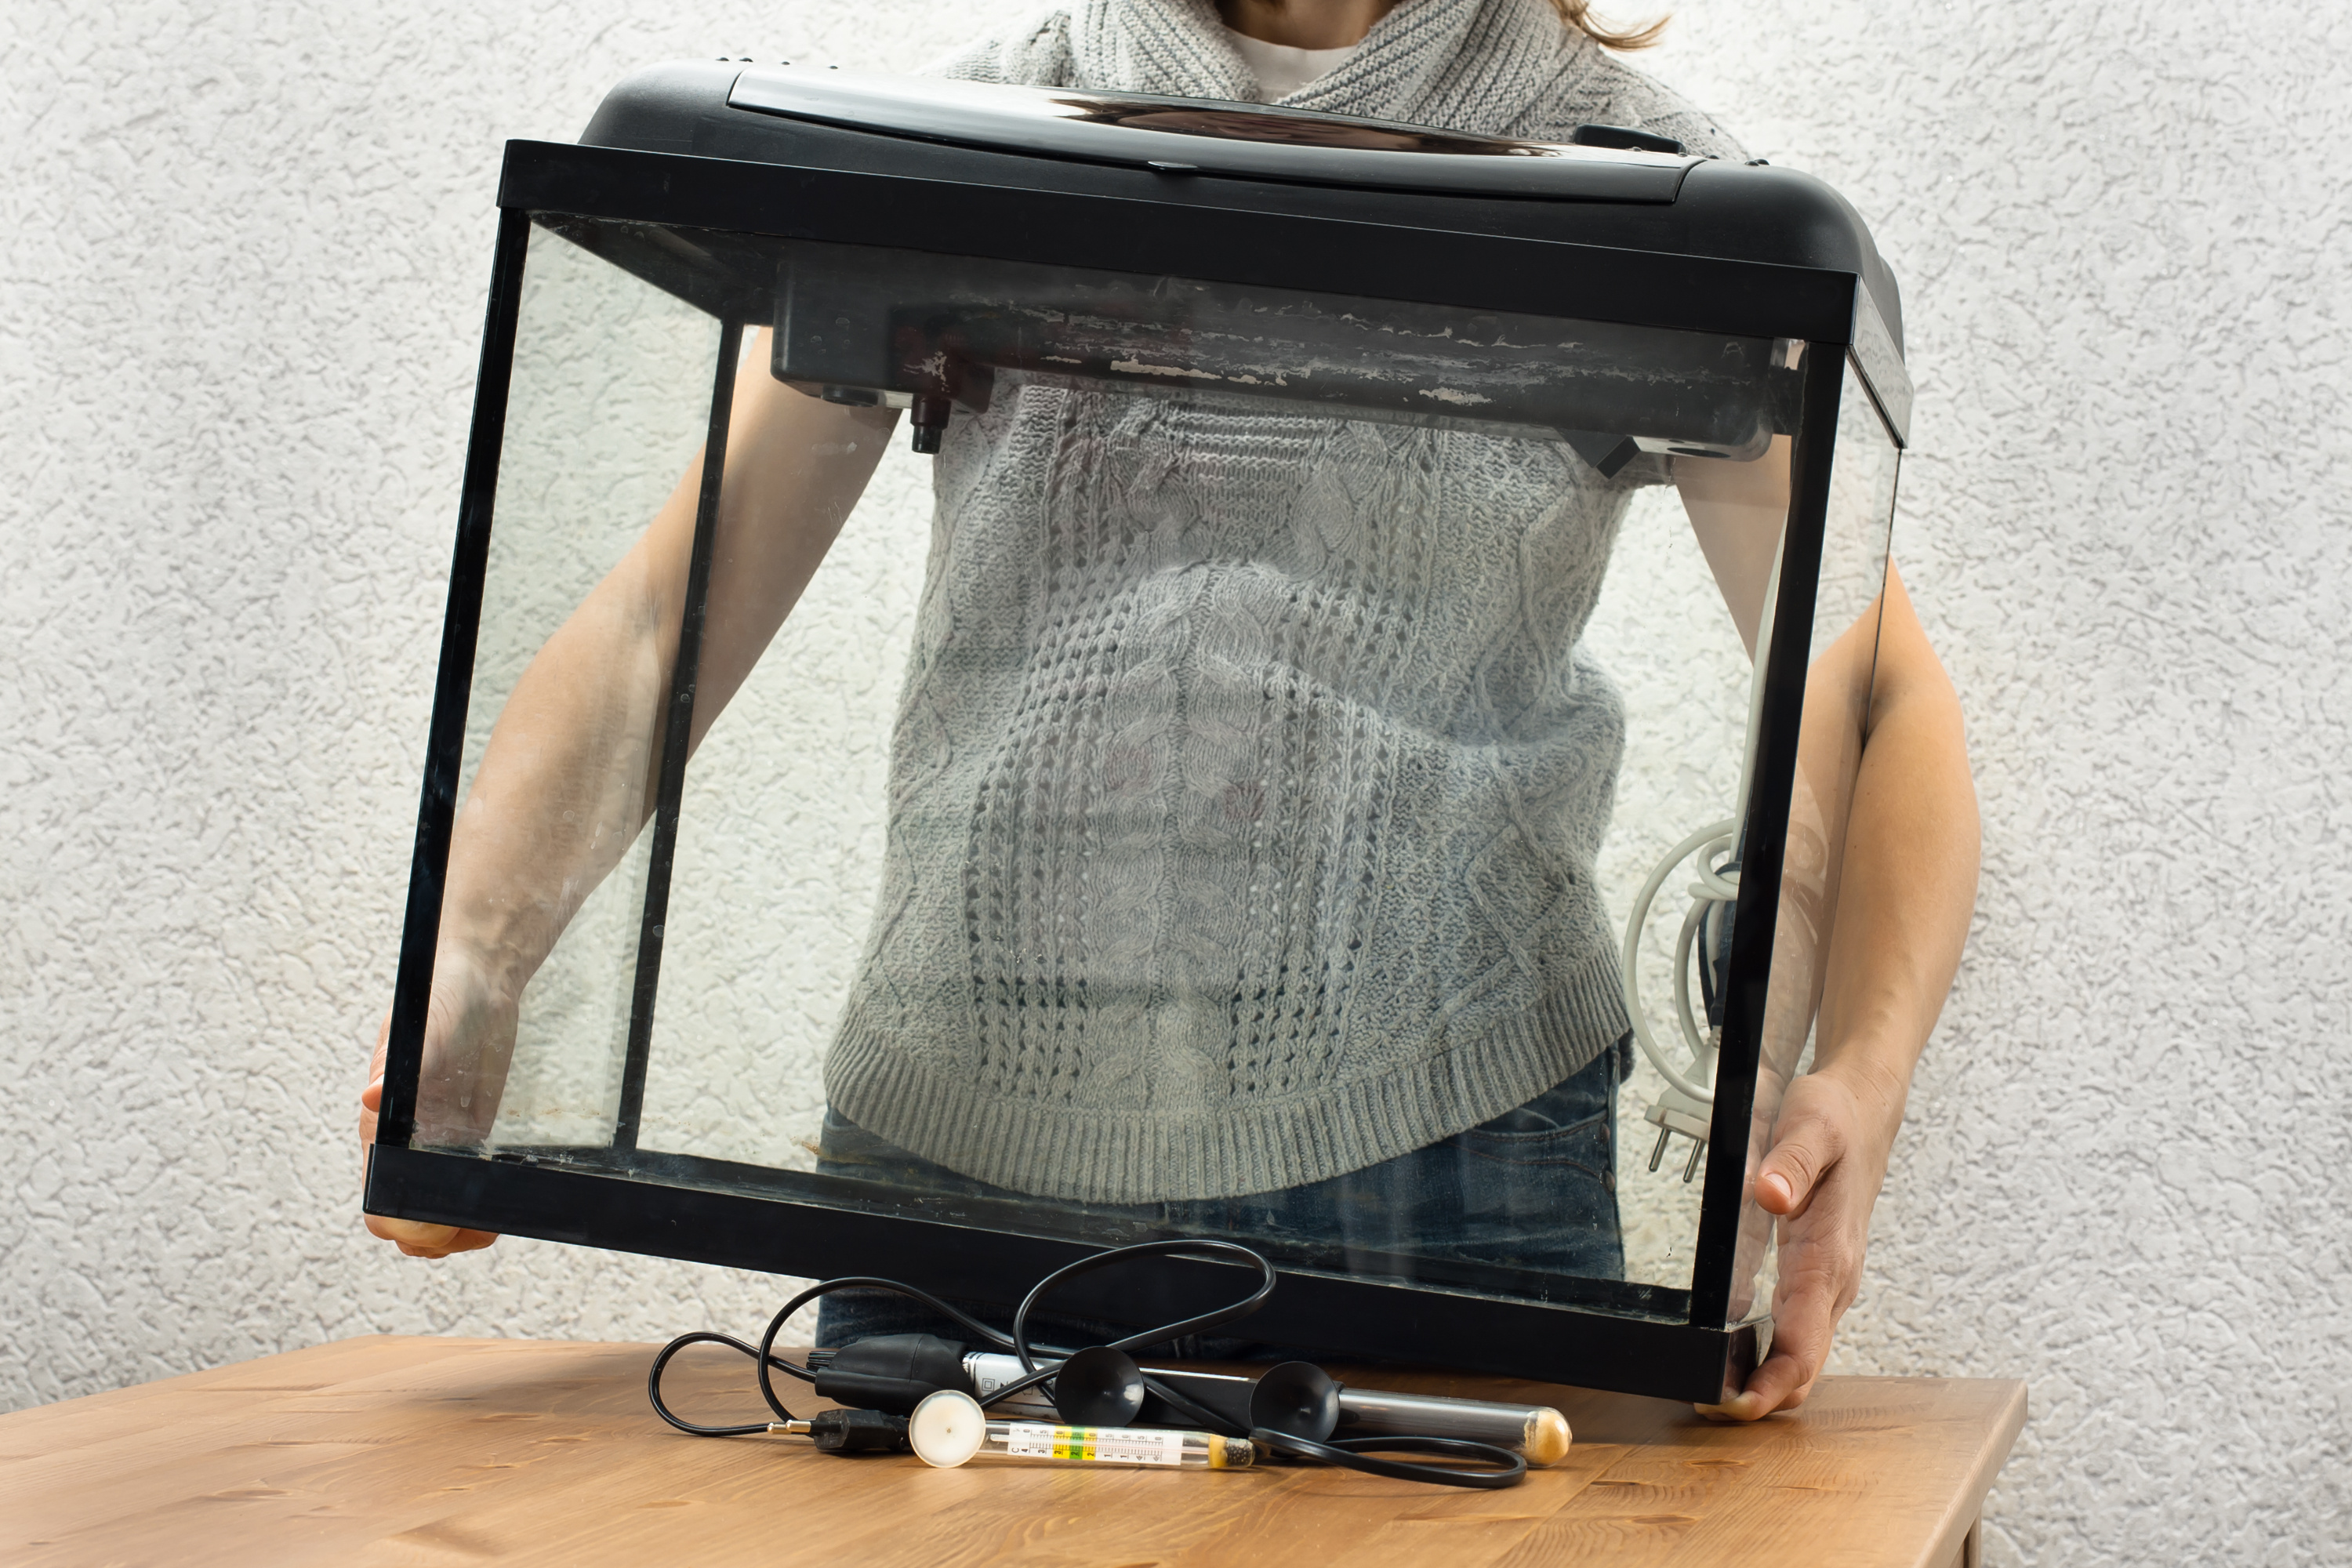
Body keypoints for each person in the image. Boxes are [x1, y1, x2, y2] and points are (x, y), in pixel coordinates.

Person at [361, 0, 1979, 1423]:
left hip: (1456, 1162)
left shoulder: (1644, 176)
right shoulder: (971, 127)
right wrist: (476, 961)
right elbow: (667, 613)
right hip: (954, 1170)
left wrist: (1862, 1078)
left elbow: (1880, 694)